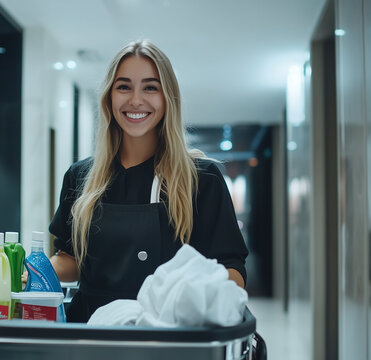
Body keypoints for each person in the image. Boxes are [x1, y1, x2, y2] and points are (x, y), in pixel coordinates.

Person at [49, 40, 248, 323]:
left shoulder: (202, 180)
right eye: (124, 86)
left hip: (169, 336)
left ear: (168, 98)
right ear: (109, 97)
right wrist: (30, 271)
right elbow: (71, 259)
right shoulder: (81, 177)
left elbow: (233, 269)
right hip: (92, 333)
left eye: (150, 87)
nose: (136, 100)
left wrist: (192, 300)